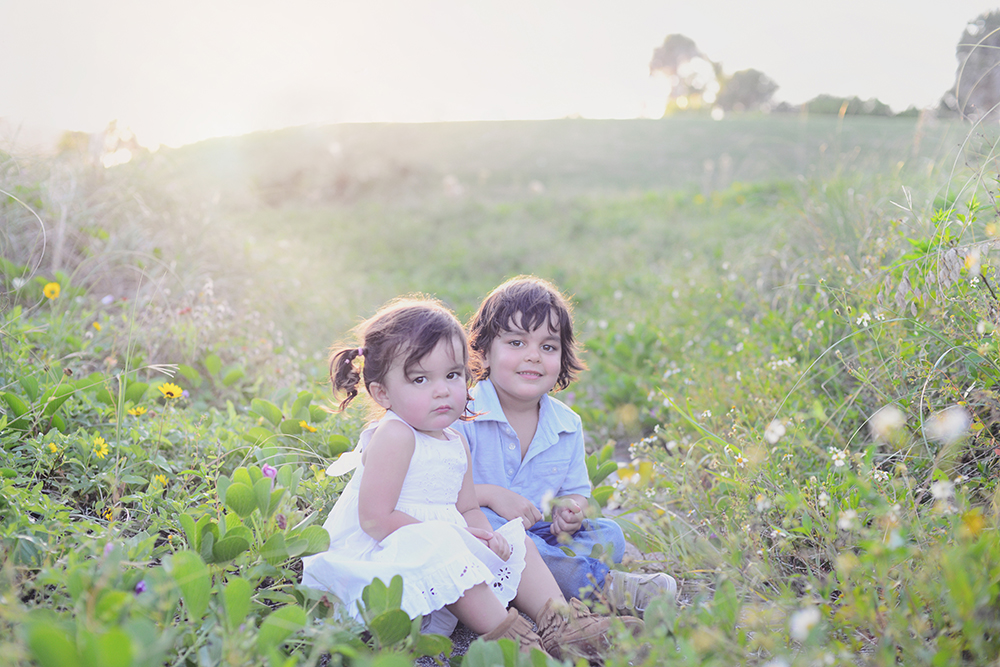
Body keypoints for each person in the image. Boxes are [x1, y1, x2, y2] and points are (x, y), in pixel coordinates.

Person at [301, 297, 641, 661]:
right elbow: (375, 519)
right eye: (420, 379)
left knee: (516, 538)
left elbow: (466, 507)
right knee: (448, 547)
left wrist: (487, 536)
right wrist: (457, 538)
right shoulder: (395, 435)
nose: (442, 390)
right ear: (382, 392)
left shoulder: (455, 439)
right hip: (387, 557)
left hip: (445, 550)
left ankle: (560, 623)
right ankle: (513, 640)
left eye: (452, 375)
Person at [454, 277, 677, 616]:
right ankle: (604, 589)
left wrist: (571, 512)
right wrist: (491, 495)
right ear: (482, 354)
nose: (533, 356)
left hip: (543, 536)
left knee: (609, 535)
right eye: (516, 343)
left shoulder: (566, 424)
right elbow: (443, 492)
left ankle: (542, 582)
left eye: (548, 347)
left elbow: (576, 492)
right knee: (491, 535)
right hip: (486, 532)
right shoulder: (464, 413)